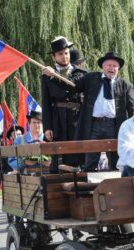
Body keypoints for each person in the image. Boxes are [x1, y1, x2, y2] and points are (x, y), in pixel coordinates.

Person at [70, 52, 134, 171]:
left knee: (116, 160)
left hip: (115, 125)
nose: (111, 68)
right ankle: (88, 187)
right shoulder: (91, 78)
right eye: (109, 65)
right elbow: (73, 85)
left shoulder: (125, 85)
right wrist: (60, 72)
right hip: (93, 124)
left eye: (115, 66)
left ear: (118, 69)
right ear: (103, 67)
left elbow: (132, 108)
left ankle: (116, 187)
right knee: (91, 158)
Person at [42, 36, 87, 173]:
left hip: (76, 117)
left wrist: (54, 76)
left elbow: (73, 87)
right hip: (58, 118)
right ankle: (56, 186)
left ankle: (79, 182)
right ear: (54, 56)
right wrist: (47, 126)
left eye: (66, 53)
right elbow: (45, 102)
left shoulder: (80, 73)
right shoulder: (46, 75)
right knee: (58, 154)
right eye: (60, 54)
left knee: (77, 152)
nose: (64, 57)